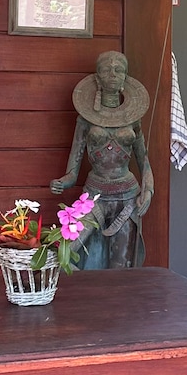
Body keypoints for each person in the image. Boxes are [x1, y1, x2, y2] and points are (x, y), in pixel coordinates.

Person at [51, 50, 154, 271]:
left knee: (121, 264)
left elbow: (144, 161)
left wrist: (148, 190)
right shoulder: (85, 119)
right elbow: (73, 171)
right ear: (97, 78)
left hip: (127, 195)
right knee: (67, 253)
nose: (113, 74)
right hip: (94, 194)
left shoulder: (133, 119)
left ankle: (118, 294)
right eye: (107, 69)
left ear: (125, 77)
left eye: (119, 70)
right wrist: (62, 182)